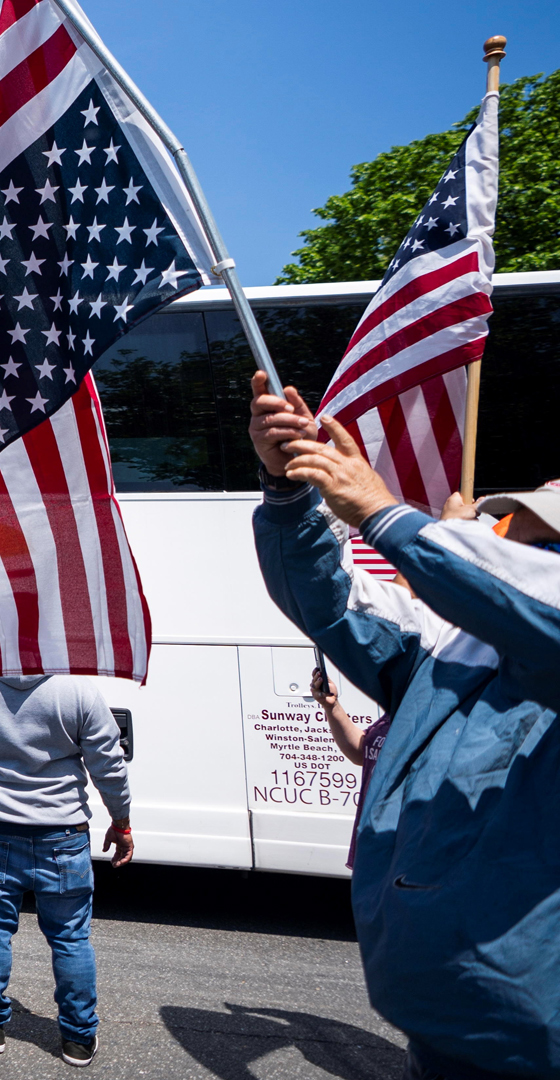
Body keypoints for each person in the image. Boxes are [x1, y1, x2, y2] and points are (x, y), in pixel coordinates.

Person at [249, 371, 560, 1079]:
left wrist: (386, 515)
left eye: (542, 538)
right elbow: (329, 603)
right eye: (524, 530)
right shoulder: (455, 637)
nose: (517, 541)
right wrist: (290, 490)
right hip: (440, 1019)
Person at [0, 674, 131, 1068]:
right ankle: (78, 1039)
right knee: (70, 937)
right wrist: (122, 822)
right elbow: (109, 764)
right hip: (64, 835)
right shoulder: (78, 691)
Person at [309, 668, 387, 870]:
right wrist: (332, 706)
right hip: (376, 845)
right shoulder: (399, 710)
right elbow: (362, 753)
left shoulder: (436, 715)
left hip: (406, 852)